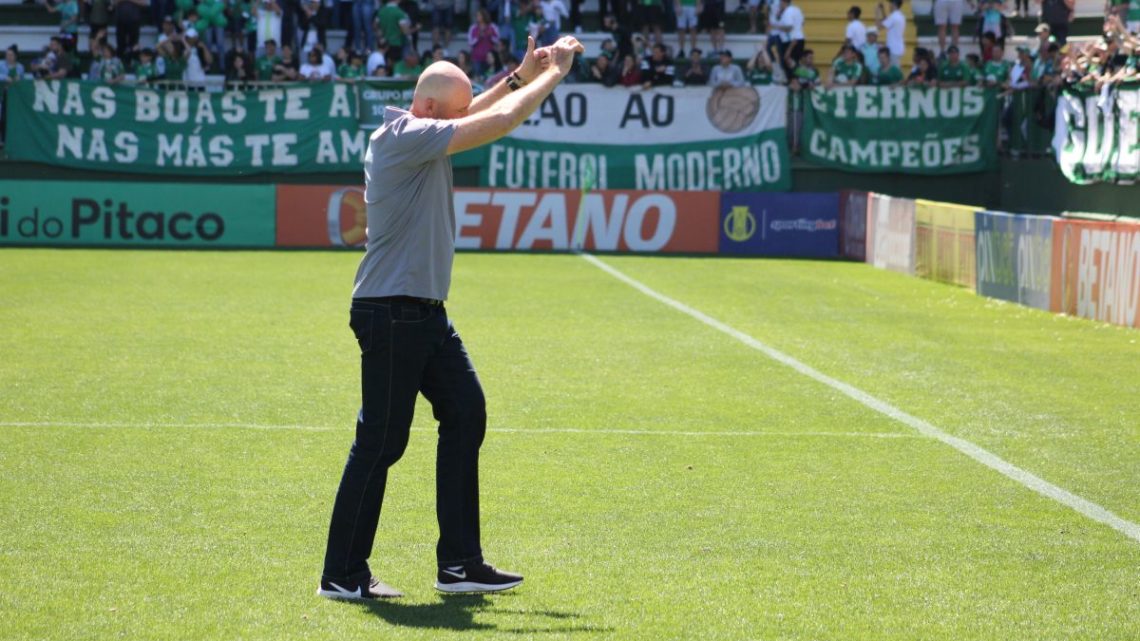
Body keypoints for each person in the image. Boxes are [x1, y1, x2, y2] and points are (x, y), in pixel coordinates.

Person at [318, 34, 585, 602]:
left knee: (466, 413)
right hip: (392, 310)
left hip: (422, 311)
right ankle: (342, 573)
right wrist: (551, 76)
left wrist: (516, 75)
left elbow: (482, 111)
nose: (464, 118)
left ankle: (460, 565)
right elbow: (498, 122)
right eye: (457, 111)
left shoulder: (422, 127)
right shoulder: (403, 136)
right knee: (381, 442)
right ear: (433, 110)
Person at [770, 0, 804, 79]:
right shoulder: (797, 9)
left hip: (792, 41)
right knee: (795, 64)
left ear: (783, 2)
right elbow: (802, 22)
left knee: (789, 65)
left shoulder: (788, 12)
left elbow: (789, 27)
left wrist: (776, 27)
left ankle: (796, 82)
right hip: (800, 39)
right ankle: (802, 80)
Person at [468, 9, 500, 76]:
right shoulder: (473, 28)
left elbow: (497, 40)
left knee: (489, 76)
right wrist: (478, 37)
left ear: (484, 16)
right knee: (478, 76)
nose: (477, 17)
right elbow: (470, 42)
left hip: (489, 58)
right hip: (477, 58)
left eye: (479, 15)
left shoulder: (492, 26)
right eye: (477, 16)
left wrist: (491, 35)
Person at [876, 0, 905, 68]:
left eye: (890, 3)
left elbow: (879, 27)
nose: (889, 6)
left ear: (893, 4)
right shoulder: (900, 15)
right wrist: (882, 10)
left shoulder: (894, 16)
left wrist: (877, 13)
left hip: (893, 49)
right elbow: (887, 21)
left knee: (894, 70)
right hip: (898, 47)